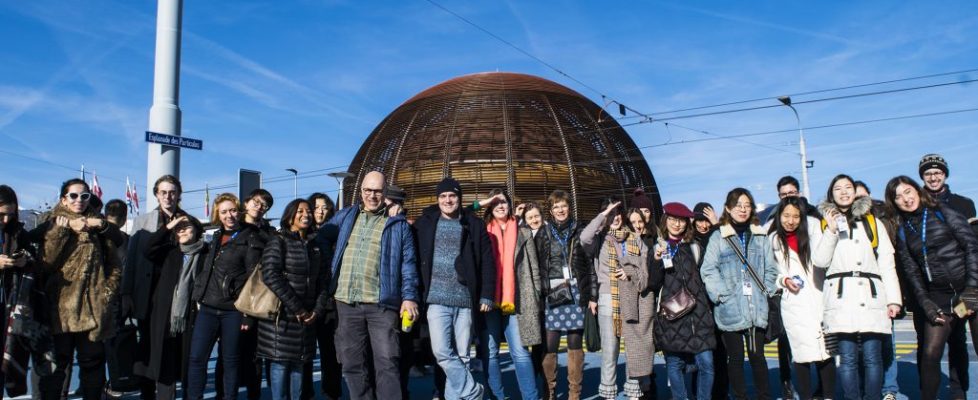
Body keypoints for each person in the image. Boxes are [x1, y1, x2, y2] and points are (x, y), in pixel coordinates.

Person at [322, 171, 418, 400]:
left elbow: (408, 265)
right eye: (368, 190)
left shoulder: (397, 225)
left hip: (381, 304)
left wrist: (409, 297)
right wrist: (331, 264)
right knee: (352, 363)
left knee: (387, 362)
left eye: (377, 191)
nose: (372, 195)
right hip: (346, 302)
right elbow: (321, 238)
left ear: (385, 193)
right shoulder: (346, 216)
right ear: (361, 191)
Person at [886, 175, 978, 399]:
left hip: (968, 289)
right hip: (940, 296)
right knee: (930, 353)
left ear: (917, 191)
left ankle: (959, 394)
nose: (906, 199)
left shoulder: (942, 212)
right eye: (898, 197)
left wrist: (972, 288)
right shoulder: (903, 230)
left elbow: (972, 248)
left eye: (908, 192)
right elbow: (912, 273)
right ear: (894, 203)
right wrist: (926, 303)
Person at [815, 174, 902, 400]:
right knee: (848, 358)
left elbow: (887, 262)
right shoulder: (824, 223)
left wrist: (893, 299)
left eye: (848, 187)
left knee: (873, 356)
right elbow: (820, 261)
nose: (843, 192)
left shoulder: (872, 222)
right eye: (838, 188)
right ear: (831, 194)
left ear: (855, 192)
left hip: (871, 294)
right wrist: (831, 230)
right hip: (841, 296)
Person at [36, 179, 122, 400]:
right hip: (60, 309)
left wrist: (107, 292)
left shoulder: (98, 223)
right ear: (64, 198)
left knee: (93, 367)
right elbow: (46, 263)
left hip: (93, 308)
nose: (79, 201)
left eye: (84, 196)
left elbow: (115, 262)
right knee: (56, 368)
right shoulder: (50, 221)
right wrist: (63, 230)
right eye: (73, 196)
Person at [699, 187, 778, 400]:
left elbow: (772, 268)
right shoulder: (718, 237)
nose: (743, 209)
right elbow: (708, 269)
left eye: (747, 205)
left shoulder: (760, 236)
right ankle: (740, 397)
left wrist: (767, 290)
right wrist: (721, 295)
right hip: (729, 307)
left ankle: (763, 396)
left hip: (756, 306)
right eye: (737, 205)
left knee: (757, 356)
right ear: (728, 208)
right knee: (734, 358)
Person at [186, 193, 264, 400]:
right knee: (196, 359)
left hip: (234, 310)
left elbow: (254, 279)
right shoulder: (215, 236)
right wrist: (199, 298)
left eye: (232, 210)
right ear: (217, 215)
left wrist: (248, 315)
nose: (229, 215)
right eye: (224, 212)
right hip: (208, 307)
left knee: (230, 361)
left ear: (238, 211)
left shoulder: (250, 237)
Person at [257, 199, 330, 400]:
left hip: (307, 319)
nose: (305, 214)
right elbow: (271, 274)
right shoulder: (278, 240)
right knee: (280, 364)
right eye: (300, 211)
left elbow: (324, 280)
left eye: (308, 211)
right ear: (289, 216)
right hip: (281, 318)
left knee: (299, 363)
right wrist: (298, 309)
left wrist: (317, 310)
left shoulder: (315, 244)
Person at [581, 199, 654, 399]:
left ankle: (633, 391)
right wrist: (604, 214)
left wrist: (630, 271)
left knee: (633, 348)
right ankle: (608, 392)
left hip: (633, 298)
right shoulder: (599, 239)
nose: (615, 217)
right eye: (610, 214)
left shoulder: (634, 237)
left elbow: (645, 267)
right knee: (610, 352)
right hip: (608, 299)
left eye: (618, 213)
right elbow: (584, 237)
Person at [475, 190, 542, 400]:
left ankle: (530, 397)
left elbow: (534, 267)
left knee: (520, 352)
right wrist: (481, 203)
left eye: (503, 201)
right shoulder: (483, 231)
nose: (500, 206)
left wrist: (537, 296)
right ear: (489, 207)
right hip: (489, 299)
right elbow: (464, 214)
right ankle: (497, 397)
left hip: (517, 300)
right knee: (491, 353)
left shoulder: (523, 231)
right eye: (495, 203)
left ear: (510, 204)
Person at [768, 196, 835, 400]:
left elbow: (825, 257)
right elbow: (770, 273)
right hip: (794, 304)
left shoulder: (813, 229)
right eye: (786, 215)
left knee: (826, 354)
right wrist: (783, 280)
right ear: (779, 216)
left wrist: (831, 231)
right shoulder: (773, 240)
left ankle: (828, 395)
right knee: (801, 356)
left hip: (819, 297)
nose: (791, 220)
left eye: (796, 216)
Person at [124, 175, 184, 399]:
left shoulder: (187, 220)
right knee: (146, 346)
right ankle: (146, 393)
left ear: (179, 194)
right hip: (145, 292)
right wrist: (126, 292)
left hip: (173, 294)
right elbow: (130, 260)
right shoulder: (143, 221)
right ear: (156, 195)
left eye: (172, 192)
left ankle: (166, 394)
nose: (168, 196)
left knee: (168, 347)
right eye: (163, 192)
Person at [650, 202, 715, 400]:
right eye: (672, 219)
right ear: (665, 221)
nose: (677, 224)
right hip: (672, 315)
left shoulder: (694, 247)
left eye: (681, 220)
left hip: (698, 315)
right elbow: (653, 283)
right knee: (674, 364)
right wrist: (656, 261)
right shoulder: (657, 247)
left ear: (687, 223)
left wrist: (716, 224)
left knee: (707, 364)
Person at [535, 190, 596, 400]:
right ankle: (549, 392)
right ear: (551, 211)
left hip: (576, 291)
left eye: (564, 206)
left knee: (575, 343)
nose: (561, 210)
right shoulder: (544, 232)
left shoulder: (580, 229)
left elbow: (589, 264)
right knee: (549, 345)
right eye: (556, 207)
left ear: (569, 207)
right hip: (552, 292)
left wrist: (592, 295)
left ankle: (574, 394)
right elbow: (537, 264)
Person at [141, 214, 207, 400]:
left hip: (194, 315)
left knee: (191, 364)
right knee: (165, 363)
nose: (182, 230)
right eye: (179, 228)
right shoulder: (169, 251)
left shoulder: (207, 252)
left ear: (197, 230)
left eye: (187, 226)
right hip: (166, 317)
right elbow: (148, 248)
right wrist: (170, 225)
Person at [0, 185, 55, 397]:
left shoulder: (18, 232)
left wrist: (24, 259)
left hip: (10, 308)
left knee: (5, 366)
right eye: (1, 214)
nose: (6, 220)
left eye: (10, 214)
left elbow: (33, 256)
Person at [855, 181, 902, 400]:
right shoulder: (847, 221)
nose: (860, 202)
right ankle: (868, 387)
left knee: (887, 342)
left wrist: (895, 297)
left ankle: (889, 388)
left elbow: (892, 255)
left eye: (863, 197)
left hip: (882, 285)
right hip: (857, 291)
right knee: (862, 346)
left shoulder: (883, 217)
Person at [300, 192, 341, 400]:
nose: (320, 211)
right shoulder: (302, 235)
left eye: (324, 207)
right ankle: (305, 392)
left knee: (330, 353)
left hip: (329, 303)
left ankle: (331, 392)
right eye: (316, 207)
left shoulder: (336, 233)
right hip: (307, 302)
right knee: (305, 353)